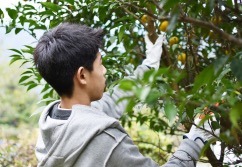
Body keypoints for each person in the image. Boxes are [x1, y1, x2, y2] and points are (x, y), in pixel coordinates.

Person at [34, 22, 219, 167]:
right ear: (82, 75)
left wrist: (148, 66)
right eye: (100, 64)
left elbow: (113, 99)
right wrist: (196, 139)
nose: (104, 71)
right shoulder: (106, 142)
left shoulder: (55, 123)